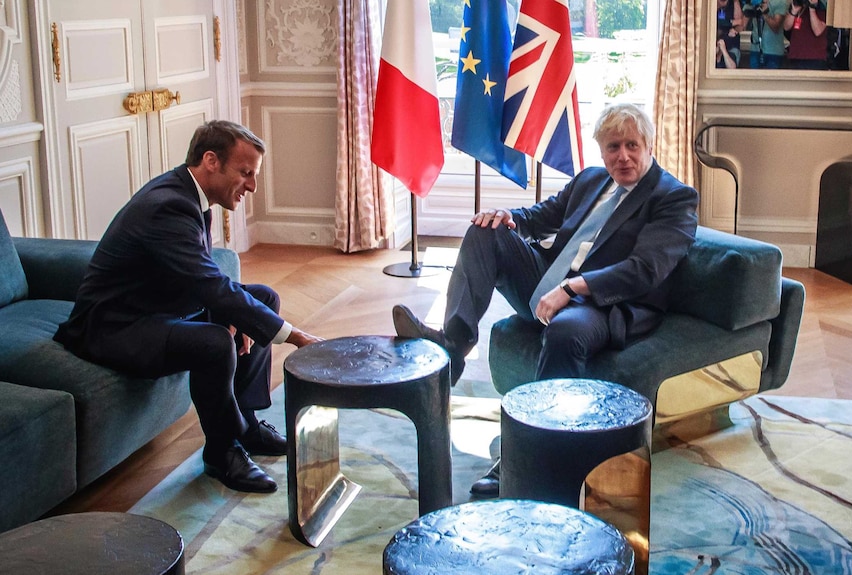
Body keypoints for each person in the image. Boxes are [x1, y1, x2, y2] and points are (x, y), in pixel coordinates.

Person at [391, 103, 699, 497]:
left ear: (649, 145)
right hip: (550, 282)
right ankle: (453, 345)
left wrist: (572, 289)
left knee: (566, 332)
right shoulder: (591, 180)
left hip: (605, 303)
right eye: (613, 147)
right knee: (484, 232)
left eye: (632, 146)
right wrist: (508, 216)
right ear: (601, 152)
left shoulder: (673, 197)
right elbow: (541, 216)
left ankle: (526, 454)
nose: (623, 156)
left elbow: (645, 270)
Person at [54, 120, 322, 494]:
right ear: (211, 161)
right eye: (245, 173)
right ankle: (221, 450)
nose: (252, 186)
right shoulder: (167, 207)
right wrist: (295, 336)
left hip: (160, 308)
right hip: (115, 327)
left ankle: (245, 422)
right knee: (213, 343)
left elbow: (199, 276)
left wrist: (235, 315)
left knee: (263, 299)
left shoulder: (191, 195)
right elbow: (208, 284)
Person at [783, 0, 828, 69]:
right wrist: (793, 12)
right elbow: (786, 27)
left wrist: (812, 8)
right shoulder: (799, 7)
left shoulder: (822, 8)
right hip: (795, 56)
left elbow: (817, 31)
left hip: (815, 58)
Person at [743, 0, 787, 69]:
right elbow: (744, 20)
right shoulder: (754, 1)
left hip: (773, 51)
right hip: (755, 49)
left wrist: (764, 14)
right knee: (754, 79)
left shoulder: (780, 2)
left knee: (771, 79)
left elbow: (776, 27)